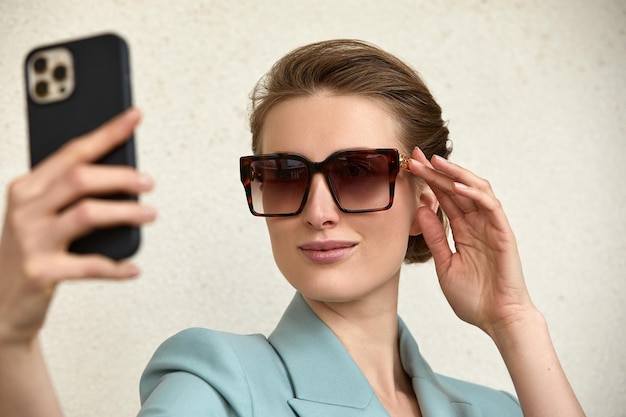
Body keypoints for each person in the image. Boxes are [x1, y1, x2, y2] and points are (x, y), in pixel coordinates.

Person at [0, 39, 585, 417]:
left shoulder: (499, 409)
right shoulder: (217, 382)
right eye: (282, 175)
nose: (317, 209)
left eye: (357, 171)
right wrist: (11, 343)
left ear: (423, 195)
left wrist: (514, 321)